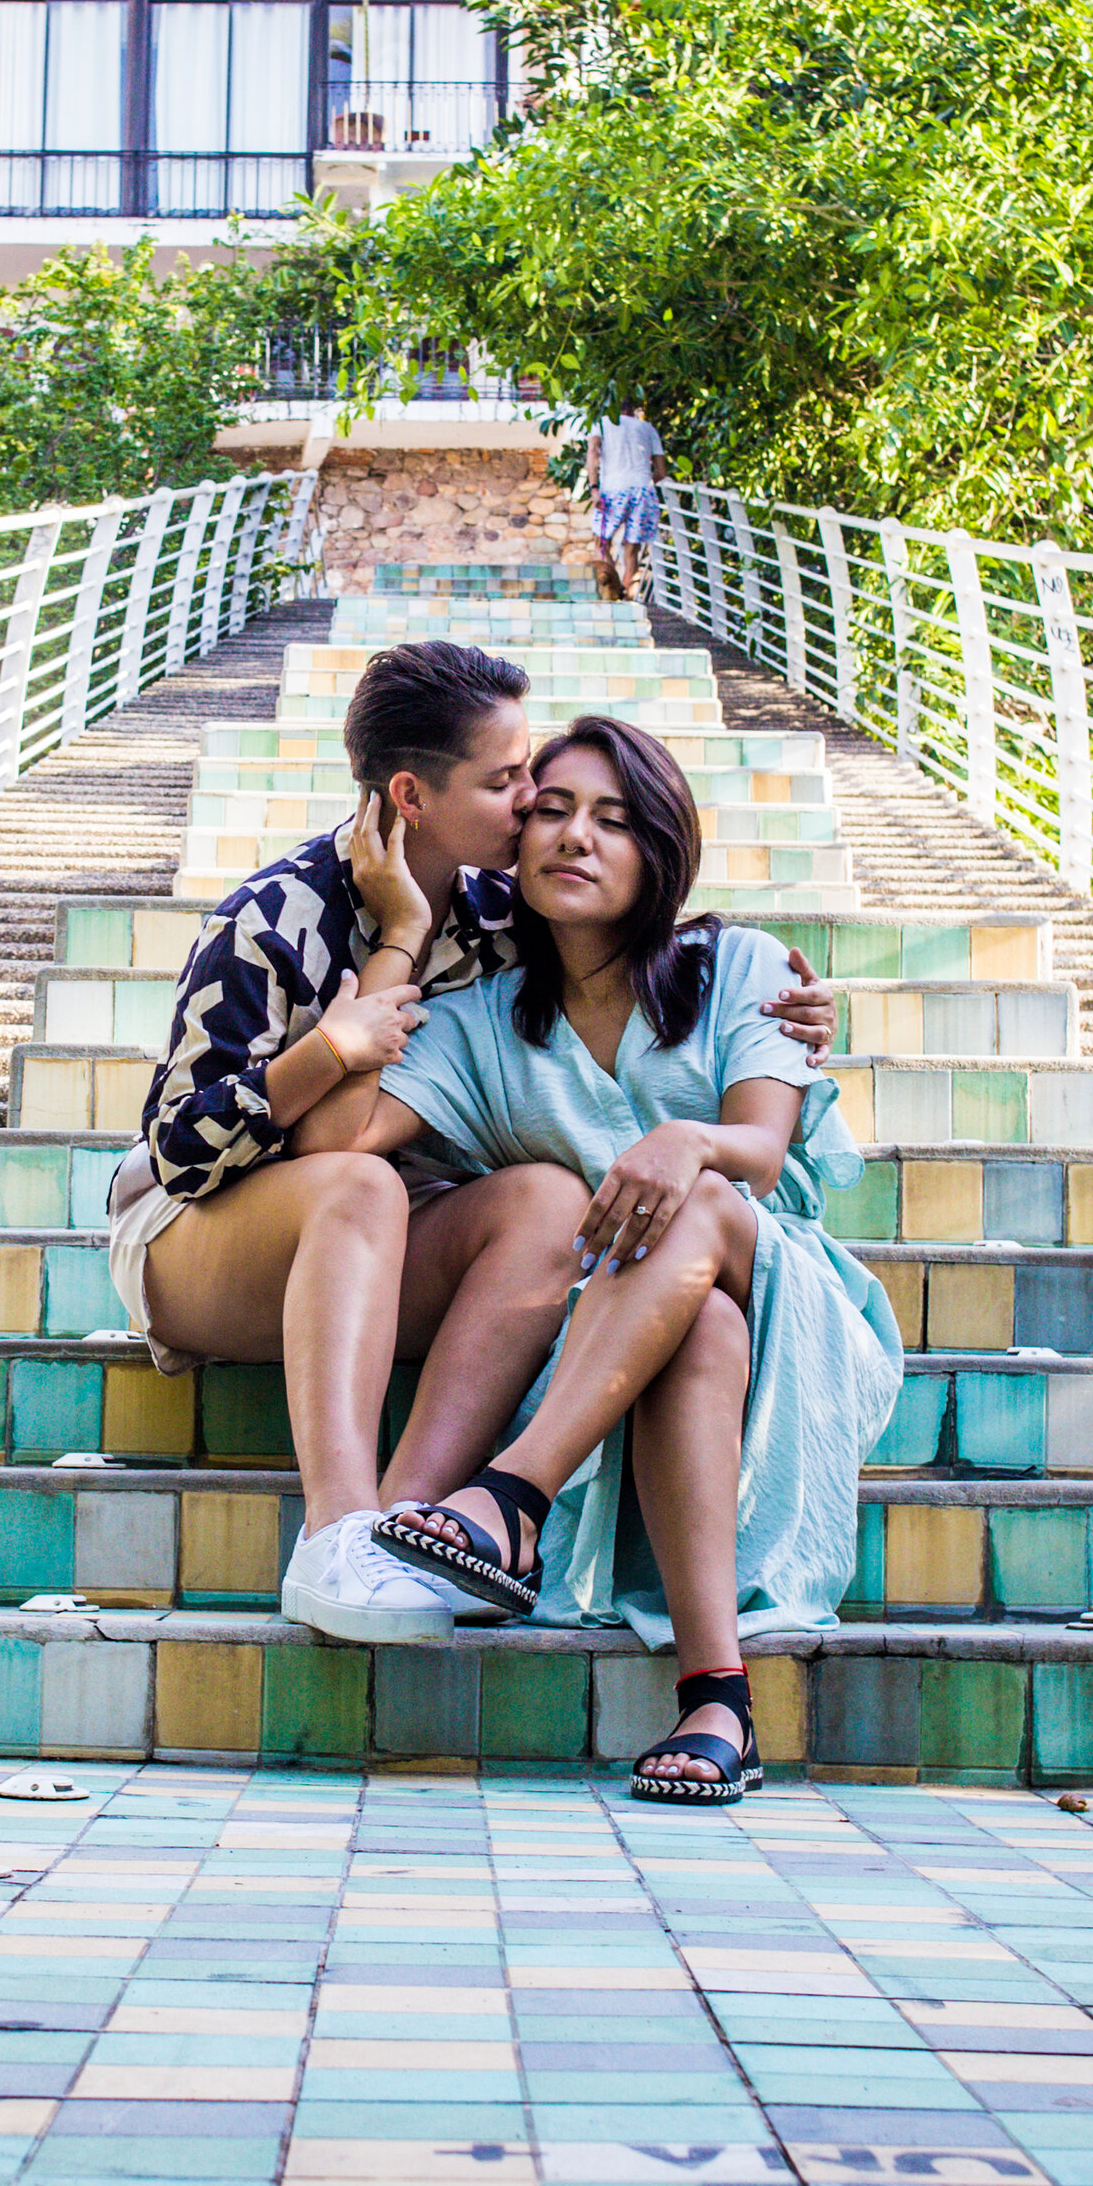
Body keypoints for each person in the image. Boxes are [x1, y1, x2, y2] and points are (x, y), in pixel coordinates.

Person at [102, 639, 837, 1645]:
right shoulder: (276, 915)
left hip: (374, 1250)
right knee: (357, 1182)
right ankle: (336, 1533)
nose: (535, 802)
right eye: (507, 780)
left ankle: (413, 1526)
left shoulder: (507, 909)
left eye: (530, 770)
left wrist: (793, 1016)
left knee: (540, 1195)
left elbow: (641, 939)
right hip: (202, 1238)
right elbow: (182, 1149)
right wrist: (337, 1034)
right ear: (412, 794)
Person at [291, 714, 902, 1800]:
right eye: (554, 812)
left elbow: (759, 1156)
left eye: (615, 821)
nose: (577, 837)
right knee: (694, 1322)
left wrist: (687, 1137)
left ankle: (511, 1497)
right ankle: (720, 1696)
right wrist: (399, 931)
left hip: (786, 1294)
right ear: (516, 848)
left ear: (659, 850)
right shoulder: (480, 1023)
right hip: (632, 1340)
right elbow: (331, 1147)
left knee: (702, 1206)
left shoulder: (740, 967)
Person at [580, 394, 668, 601]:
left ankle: (610, 590)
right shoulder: (647, 428)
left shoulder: (601, 424)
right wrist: (641, 482)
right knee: (631, 551)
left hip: (613, 490)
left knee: (602, 543)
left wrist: (594, 488)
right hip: (643, 490)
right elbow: (662, 472)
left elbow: (593, 451)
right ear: (632, 409)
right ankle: (627, 599)